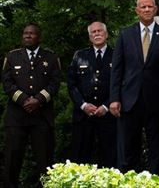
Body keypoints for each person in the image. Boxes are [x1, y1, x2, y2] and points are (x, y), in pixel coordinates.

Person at [109, 0, 159, 174]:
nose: (146, 10)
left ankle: (156, 183)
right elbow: (117, 70)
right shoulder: (125, 34)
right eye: (143, 7)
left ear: (155, 9)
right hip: (129, 101)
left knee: (157, 148)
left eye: (150, 6)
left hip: (157, 102)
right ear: (137, 10)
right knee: (128, 149)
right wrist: (114, 99)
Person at [2, 23, 61, 188]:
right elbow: (7, 83)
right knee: (12, 158)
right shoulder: (12, 57)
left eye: (32, 33)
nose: (27, 36)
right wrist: (23, 100)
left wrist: (39, 100)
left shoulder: (50, 57)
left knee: (45, 160)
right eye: (25, 33)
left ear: (39, 37)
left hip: (41, 117)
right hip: (17, 116)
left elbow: (55, 83)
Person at [66, 21, 116, 168]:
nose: (97, 34)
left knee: (109, 156)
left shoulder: (116, 55)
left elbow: (121, 83)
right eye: (93, 32)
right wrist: (83, 105)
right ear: (90, 37)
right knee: (80, 156)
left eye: (100, 31)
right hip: (84, 115)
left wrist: (106, 106)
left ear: (106, 34)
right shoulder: (80, 55)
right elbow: (72, 84)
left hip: (108, 115)